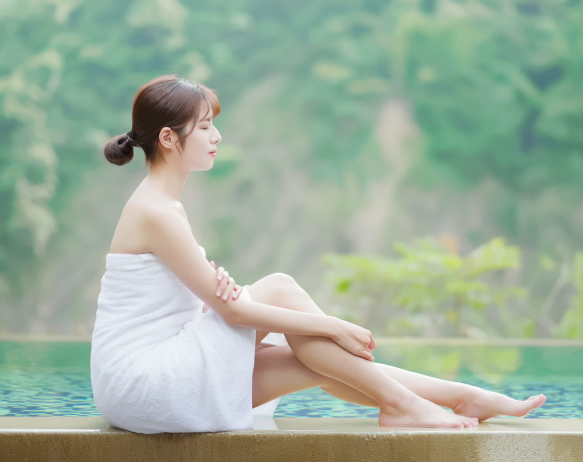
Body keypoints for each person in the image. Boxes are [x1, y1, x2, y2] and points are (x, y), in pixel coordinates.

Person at [90, 74, 547, 434]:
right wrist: (332, 324)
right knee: (282, 290)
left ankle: (460, 397)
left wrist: (219, 293)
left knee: (314, 360)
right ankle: (404, 404)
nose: (218, 136)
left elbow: (213, 304)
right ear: (169, 139)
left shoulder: (162, 205)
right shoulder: (157, 210)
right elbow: (232, 315)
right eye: (206, 127)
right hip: (144, 380)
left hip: (148, 382)